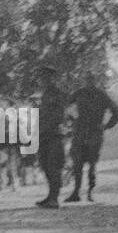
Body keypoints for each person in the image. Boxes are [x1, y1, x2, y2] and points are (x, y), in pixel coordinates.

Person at [65, 72, 118, 202]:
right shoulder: (90, 94)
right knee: (81, 163)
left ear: (92, 81)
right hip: (85, 132)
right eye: (87, 80)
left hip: (91, 133)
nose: (88, 82)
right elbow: (66, 105)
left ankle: (86, 192)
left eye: (89, 80)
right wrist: (71, 119)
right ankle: (79, 192)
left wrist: (106, 126)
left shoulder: (91, 94)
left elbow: (117, 113)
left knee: (89, 163)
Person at [35, 64, 68, 209]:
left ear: (51, 78)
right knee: (45, 165)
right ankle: (50, 195)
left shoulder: (57, 93)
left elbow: (58, 115)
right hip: (44, 135)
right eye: (41, 77)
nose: (42, 80)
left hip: (54, 134)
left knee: (53, 166)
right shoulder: (46, 94)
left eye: (45, 77)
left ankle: (54, 198)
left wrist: (46, 125)